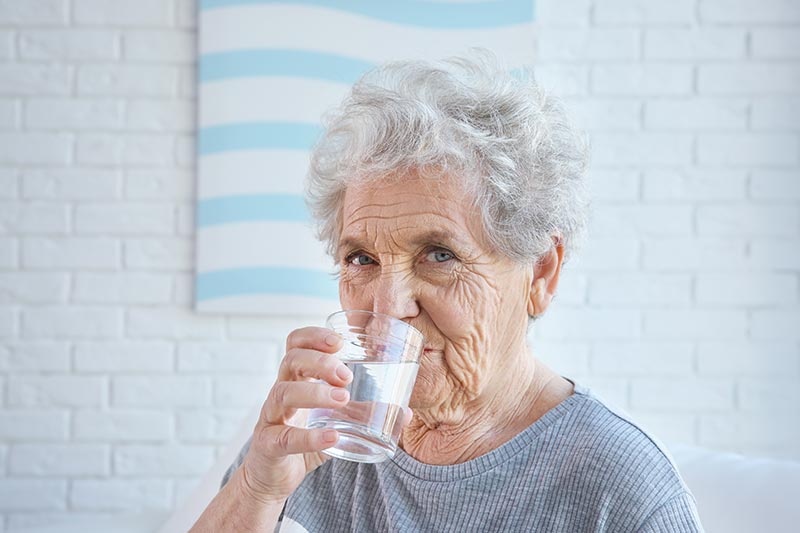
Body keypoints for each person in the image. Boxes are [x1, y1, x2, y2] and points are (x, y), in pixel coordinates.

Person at [191, 53, 704, 532]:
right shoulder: (319, 436)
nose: (386, 310)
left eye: (439, 255)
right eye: (361, 260)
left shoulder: (622, 491)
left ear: (541, 273)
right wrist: (256, 488)